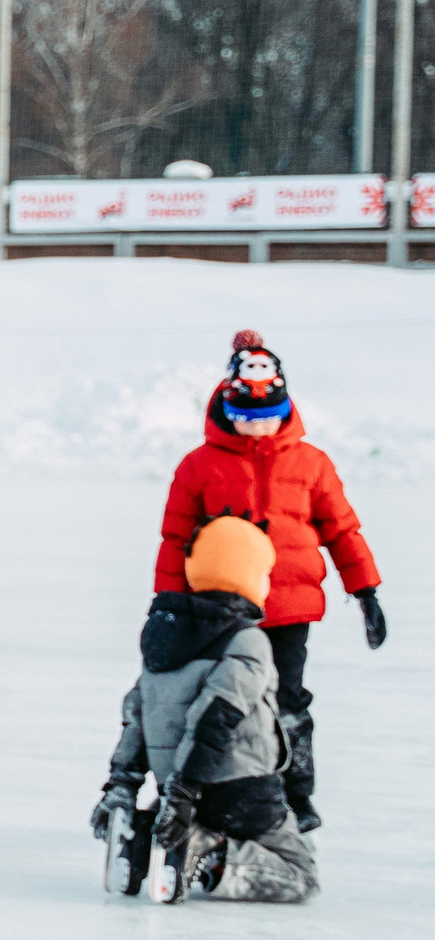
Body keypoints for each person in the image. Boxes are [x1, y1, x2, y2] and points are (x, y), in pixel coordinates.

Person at [156, 329, 383, 831]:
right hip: (221, 609)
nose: (256, 430)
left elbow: (342, 529)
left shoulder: (311, 464)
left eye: (265, 419)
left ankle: (297, 795)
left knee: (288, 702)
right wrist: (168, 602)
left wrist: (364, 590)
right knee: (220, 698)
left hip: (289, 609)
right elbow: (175, 539)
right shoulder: (199, 466)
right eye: (244, 420)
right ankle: (211, 785)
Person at [93, 515, 319, 904]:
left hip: (175, 788)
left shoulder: (162, 638)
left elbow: (137, 716)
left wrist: (123, 787)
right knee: (300, 875)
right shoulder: (247, 640)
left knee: (190, 816)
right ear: (247, 575)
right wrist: (185, 795)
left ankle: (144, 836)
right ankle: (206, 851)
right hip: (240, 788)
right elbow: (216, 717)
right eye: (265, 573)